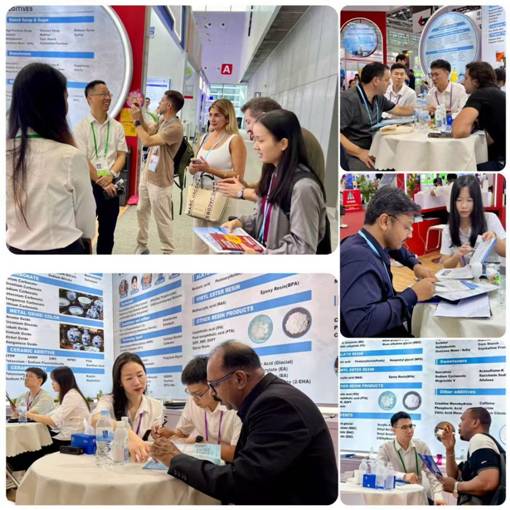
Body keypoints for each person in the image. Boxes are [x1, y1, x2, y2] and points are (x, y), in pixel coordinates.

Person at [150, 341, 338, 505]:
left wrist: (176, 459)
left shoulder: (275, 405)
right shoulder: (267, 398)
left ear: (239, 378)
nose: (213, 393)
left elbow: (243, 482)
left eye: (214, 385)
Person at [6, 62, 95, 254]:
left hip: (14, 250)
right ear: (55, 106)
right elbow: (86, 218)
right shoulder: (70, 156)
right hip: (62, 251)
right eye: (65, 97)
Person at [222, 109, 329, 254]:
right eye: (255, 140)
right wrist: (242, 223)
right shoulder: (274, 173)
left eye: (261, 140)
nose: (255, 146)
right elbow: (266, 218)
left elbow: (303, 249)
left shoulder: (304, 188)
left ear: (283, 143)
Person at [341, 186, 437, 337]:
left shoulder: (369, 241)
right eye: (406, 227)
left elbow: (397, 249)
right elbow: (363, 323)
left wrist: (415, 265)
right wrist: (414, 294)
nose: (410, 235)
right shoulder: (358, 259)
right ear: (385, 221)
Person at [217, 96, 326, 202]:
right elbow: (270, 187)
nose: (248, 130)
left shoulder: (296, 139)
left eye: (248, 122)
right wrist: (246, 187)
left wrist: (243, 192)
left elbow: (280, 197)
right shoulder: (286, 138)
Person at [152, 356, 242, 462]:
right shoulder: (192, 402)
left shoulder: (234, 407)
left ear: (213, 386)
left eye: (199, 394)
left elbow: (235, 453)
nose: (195, 400)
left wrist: (202, 445)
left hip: (230, 465)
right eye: (191, 394)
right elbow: (182, 433)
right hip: (204, 462)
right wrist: (169, 434)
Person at [74, 80, 128, 254]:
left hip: (111, 185)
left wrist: (110, 175)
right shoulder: (81, 128)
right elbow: (82, 159)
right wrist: (100, 180)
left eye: (108, 94)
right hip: (88, 185)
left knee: (107, 234)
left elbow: (122, 155)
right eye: (103, 94)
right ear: (90, 98)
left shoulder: (117, 127)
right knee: (84, 233)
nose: (108, 98)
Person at [189, 99, 247, 253]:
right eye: (210, 115)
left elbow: (238, 175)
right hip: (201, 195)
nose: (212, 119)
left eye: (217, 115)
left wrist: (210, 169)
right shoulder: (204, 138)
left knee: (220, 246)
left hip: (222, 197)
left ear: (227, 118)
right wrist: (192, 168)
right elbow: (195, 167)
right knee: (199, 245)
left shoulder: (234, 140)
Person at [131, 90, 185, 254]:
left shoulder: (175, 128)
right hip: (148, 174)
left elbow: (147, 140)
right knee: (141, 210)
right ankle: (142, 245)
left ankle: (168, 252)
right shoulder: (163, 120)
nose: (158, 103)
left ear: (169, 106)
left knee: (162, 218)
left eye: (161, 101)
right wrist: (140, 115)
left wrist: (136, 122)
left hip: (160, 180)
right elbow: (149, 131)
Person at [340, 62, 415, 171]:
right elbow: (337, 134)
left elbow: (398, 110)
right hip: (355, 152)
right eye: (386, 80)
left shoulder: (378, 98)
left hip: (377, 146)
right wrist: (359, 152)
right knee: (378, 170)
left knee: (403, 163)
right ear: (376, 81)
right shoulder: (348, 99)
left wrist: (418, 111)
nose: (389, 83)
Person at [91, 352, 163, 462]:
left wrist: (157, 435)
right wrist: (126, 432)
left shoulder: (156, 406)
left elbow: (153, 442)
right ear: (120, 382)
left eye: (140, 375)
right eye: (129, 378)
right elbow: (95, 419)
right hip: (113, 463)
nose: (137, 382)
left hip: (140, 463)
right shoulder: (108, 401)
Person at [438, 407, 504, 505]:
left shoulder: (479, 440)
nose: (459, 424)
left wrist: (456, 486)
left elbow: (488, 482)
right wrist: (449, 449)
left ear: (475, 422)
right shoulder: (481, 442)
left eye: (462, 420)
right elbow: (454, 476)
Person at [378, 412, 446, 505]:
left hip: (418, 499)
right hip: (395, 498)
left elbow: (433, 472)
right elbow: (379, 471)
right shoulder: (385, 448)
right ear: (393, 430)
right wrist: (403, 476)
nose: (409, 430)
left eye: (410, 426)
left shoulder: (421, 446)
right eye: (404, 427)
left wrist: (438, 494)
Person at [440, 175, 505, 268]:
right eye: (459, 200)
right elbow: (446, 265)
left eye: (469, 200)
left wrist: (495, 238)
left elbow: (505, 252)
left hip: (494, 274)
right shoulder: (449, 229)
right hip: (468, 275)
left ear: (476, 201)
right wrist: (457, 255)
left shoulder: (490, 219)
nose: (464, 206)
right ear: (453, 202)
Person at [453, 61, 506, 170]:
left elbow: (459, 131)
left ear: (476, 82)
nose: (463, 82)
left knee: (461, 167)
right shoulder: (497, 93)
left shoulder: (480, 95)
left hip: (502, 162)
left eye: (466, 78)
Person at [27, 366, 90, 449]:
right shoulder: (70, 394)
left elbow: (53, 421)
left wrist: (30, 415)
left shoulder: (72, 396)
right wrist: (35, 416)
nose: (52, 383)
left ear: (62, 381)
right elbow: (52, 416)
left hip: (69, 439)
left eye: (54, 380)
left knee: (30, 447)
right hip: (66, 436)